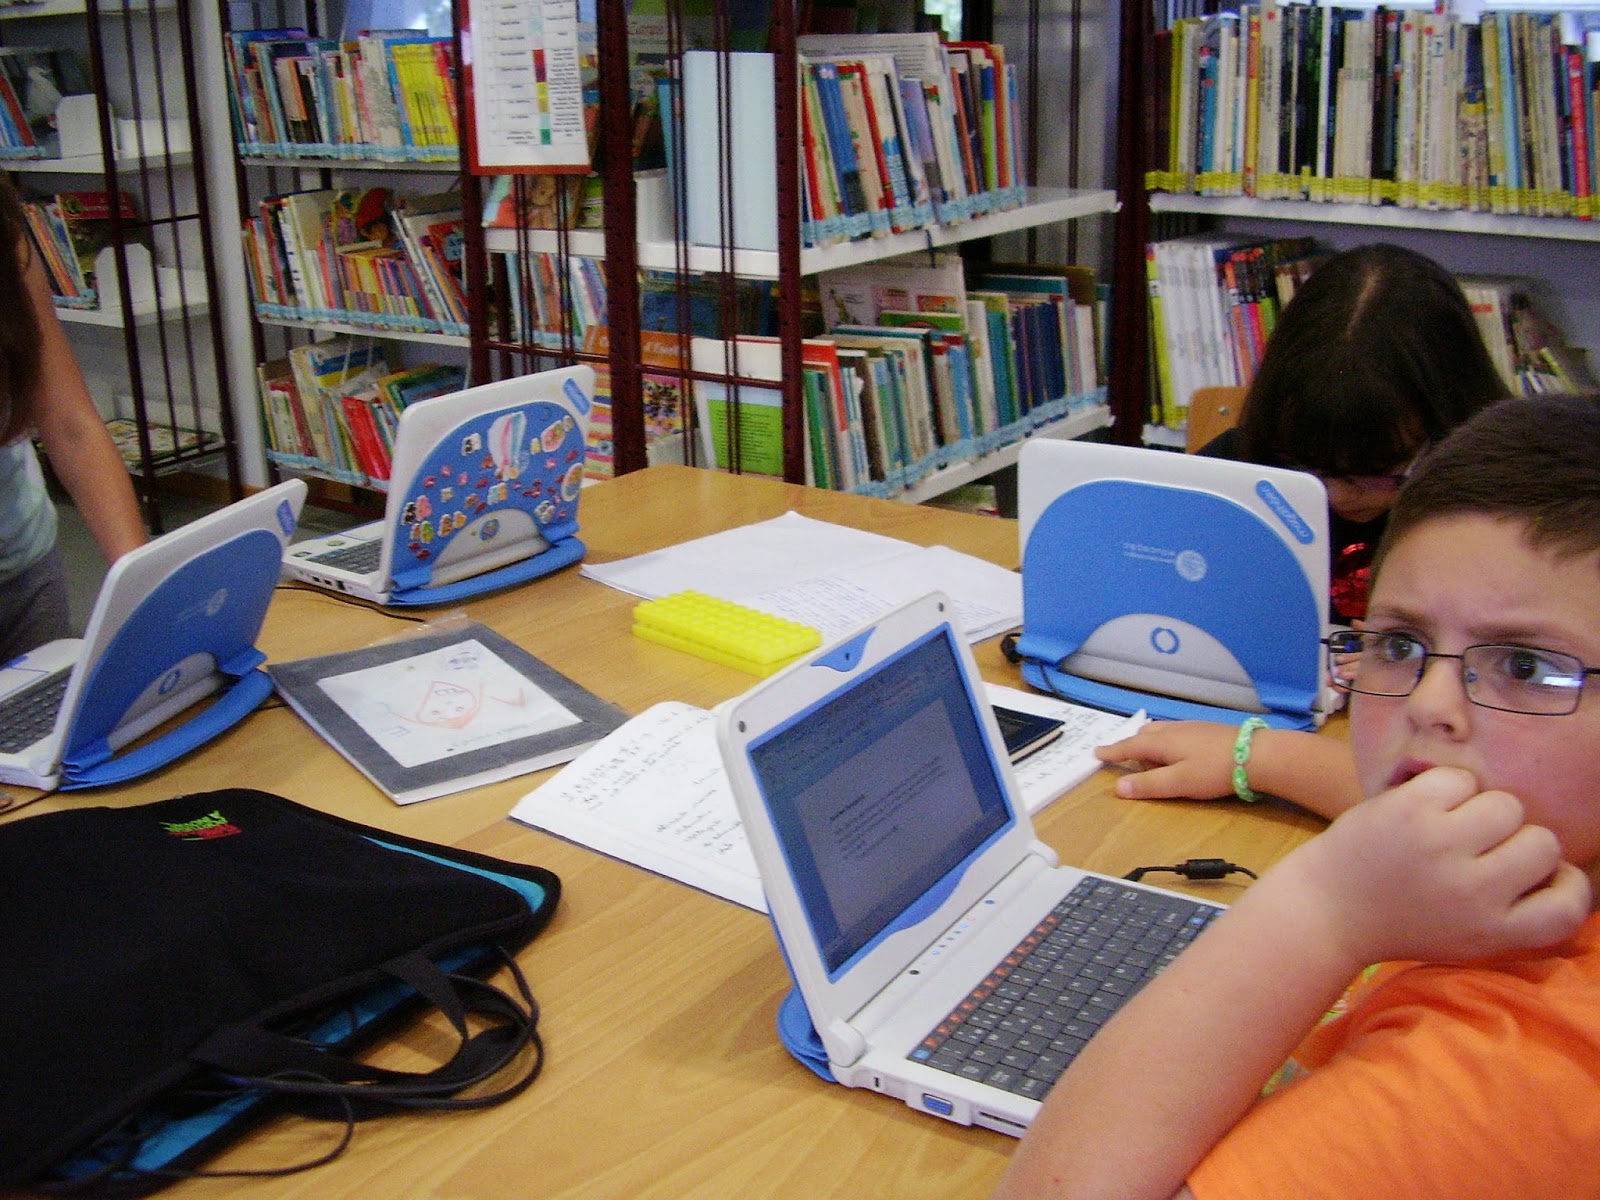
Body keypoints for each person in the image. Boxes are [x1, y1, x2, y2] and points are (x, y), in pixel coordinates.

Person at [993, 394, 1600, 1200]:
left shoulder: (1499, 1076)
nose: (1428, 704)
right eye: (1399, 644)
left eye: (1526, 666)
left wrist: (1322, 911)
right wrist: (1267, 755)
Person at [1199, 242, 1509, 621]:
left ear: (1447, 424)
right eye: (1309, 467)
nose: (1338, 496)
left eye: (1375, 472)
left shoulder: (1500, 513)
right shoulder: (1236, 469)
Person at [0, 174, 146, 665]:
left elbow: (69, 422)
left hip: (23, 566)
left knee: (52, 707)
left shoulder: (5, 233)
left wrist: (138, 580)